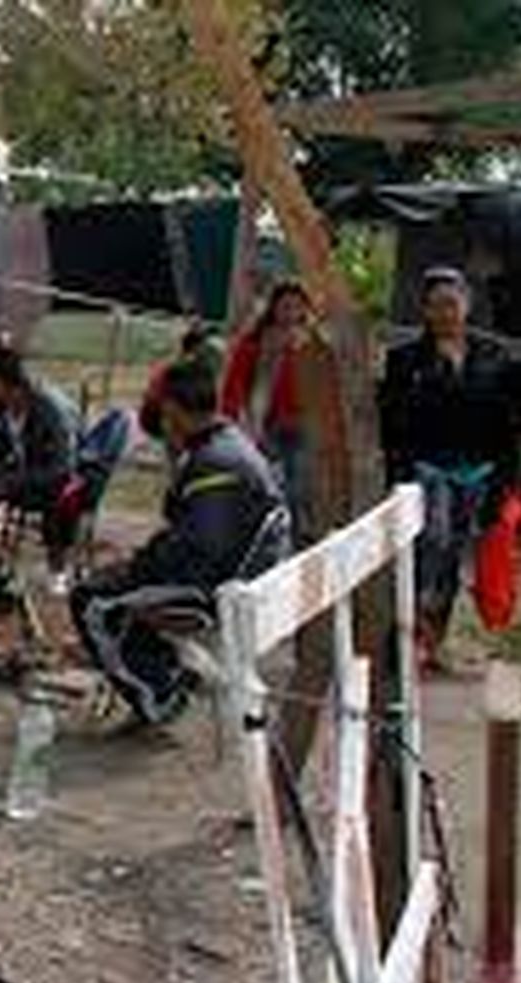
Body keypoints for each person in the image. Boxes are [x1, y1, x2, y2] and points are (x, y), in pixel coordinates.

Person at [70, 357, 289, 725]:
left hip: (215, 586)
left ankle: (158, 696)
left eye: (162, 415)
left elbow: (197, 551)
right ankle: (164, 670)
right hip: (234, 573)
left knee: (90, 600)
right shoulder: (227, 442)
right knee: (120, 584)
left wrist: (137, 566)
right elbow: (191, 536)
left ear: (172, 409)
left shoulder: (213, 463)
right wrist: (142, 561)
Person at [379, 267, 517, 671]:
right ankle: (409, 635)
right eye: (436, 304)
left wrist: (504, 481)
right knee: (432, 545)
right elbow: (393, 424)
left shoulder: (492, 354)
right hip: (428, 469)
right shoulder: (405, 359)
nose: (445, 313)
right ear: (424, 310)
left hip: (479, 470)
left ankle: (434, 639)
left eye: (452, 303)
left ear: (467, 306)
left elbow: (507, 422)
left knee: (457, 554)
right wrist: (400, 474)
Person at [0, 342, 81, 590]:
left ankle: (57, 573)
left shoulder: (48, 411)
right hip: (16, 478)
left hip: (50, 480)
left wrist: (14, 479)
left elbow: (61, 467)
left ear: (5, 382)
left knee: (65, 493)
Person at [220, 280, 341, 542]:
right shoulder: (254, 343)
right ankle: (268, 539)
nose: (290, 312)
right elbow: (235, 384)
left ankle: (300, 539)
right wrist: (231, 421)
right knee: (270, 484)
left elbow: (329, 385)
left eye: (297, 306)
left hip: (304, 426)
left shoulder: (316, 345)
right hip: (266, 424)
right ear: (273, 308)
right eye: (284, 305)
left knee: (301, 487)